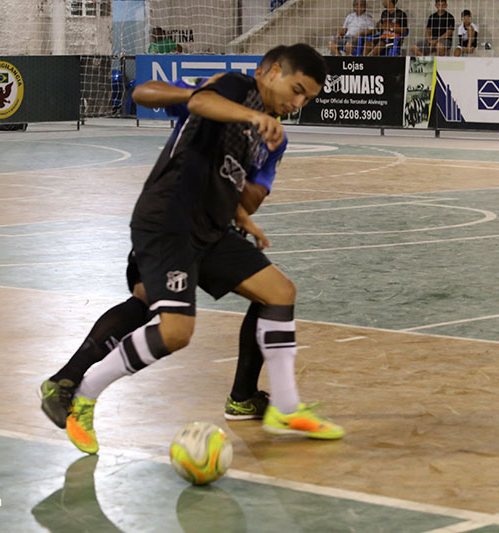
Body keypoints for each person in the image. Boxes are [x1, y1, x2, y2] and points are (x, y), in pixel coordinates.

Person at [47, 44, 344, 455]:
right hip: (169, 220)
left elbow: (237, 181)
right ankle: (85, 391)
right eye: (296, 90)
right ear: (272, 71)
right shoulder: (238, 88)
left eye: (306, 99)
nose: (297, 103)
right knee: (174, 330)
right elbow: (189, 100)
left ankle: (285, 406)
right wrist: (250, 115)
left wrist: (244, 216)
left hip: (212, 228)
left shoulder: (273, 137)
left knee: (279, 292)